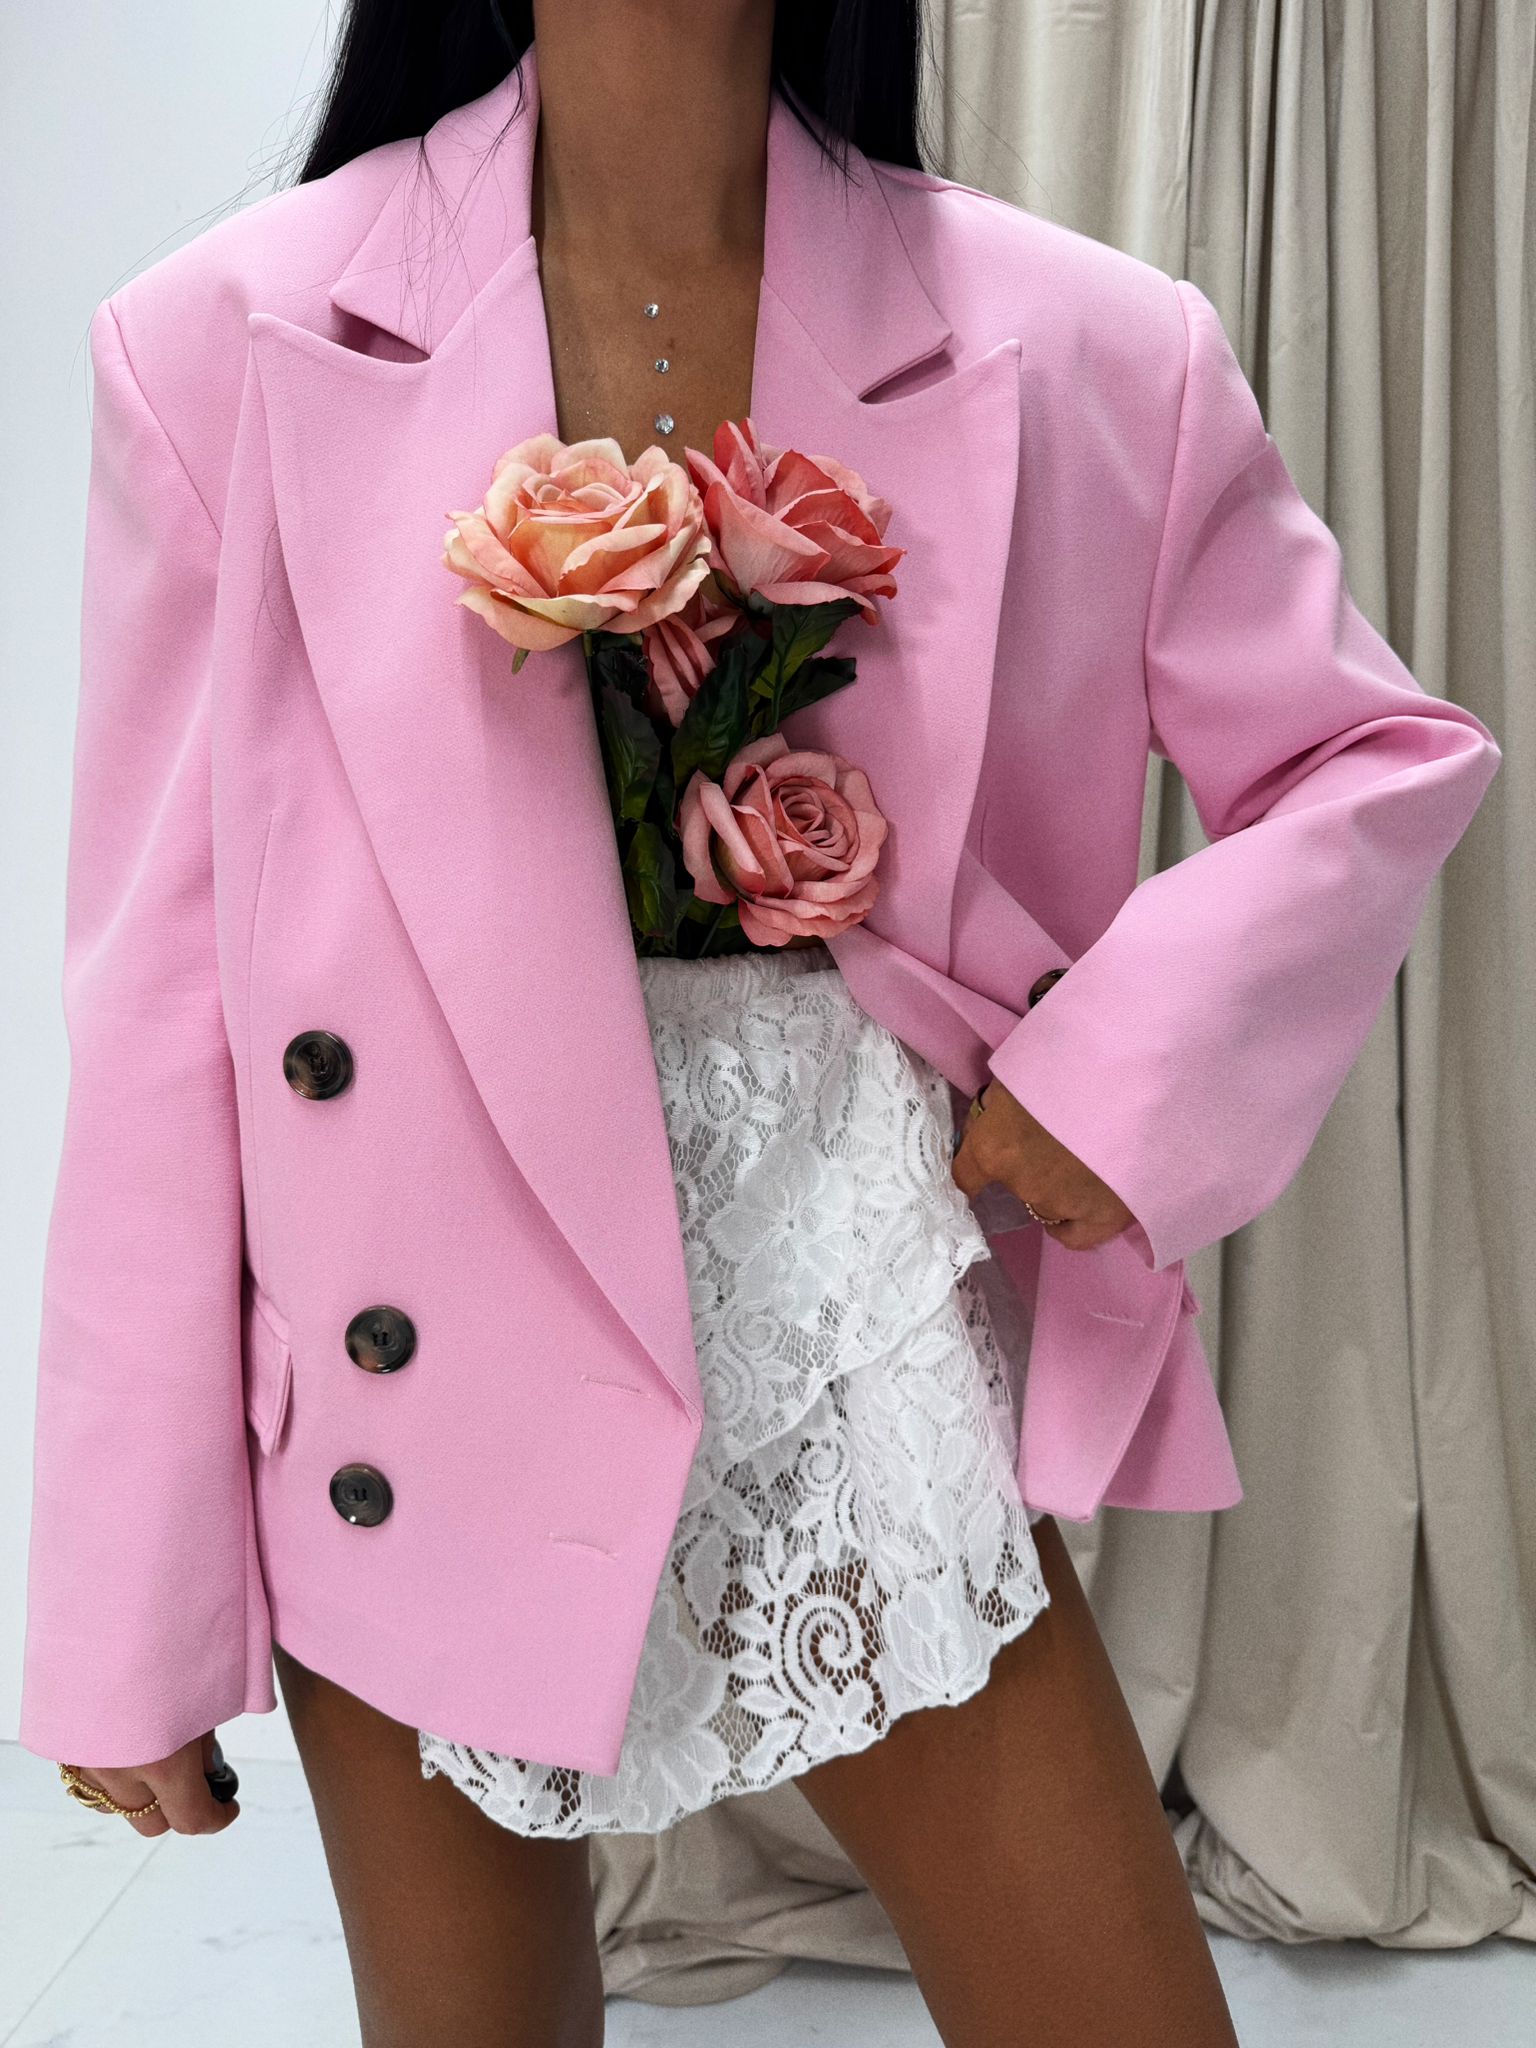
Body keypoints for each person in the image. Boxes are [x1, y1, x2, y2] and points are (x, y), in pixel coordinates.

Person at [21, 3, 1501, 2045]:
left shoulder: (1087, 343)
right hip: (412, 1346)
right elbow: (159, 1008)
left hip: (845, 1313)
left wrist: (1125, 1072)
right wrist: (122, 1610)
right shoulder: (225, 346)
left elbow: (1375, 755)